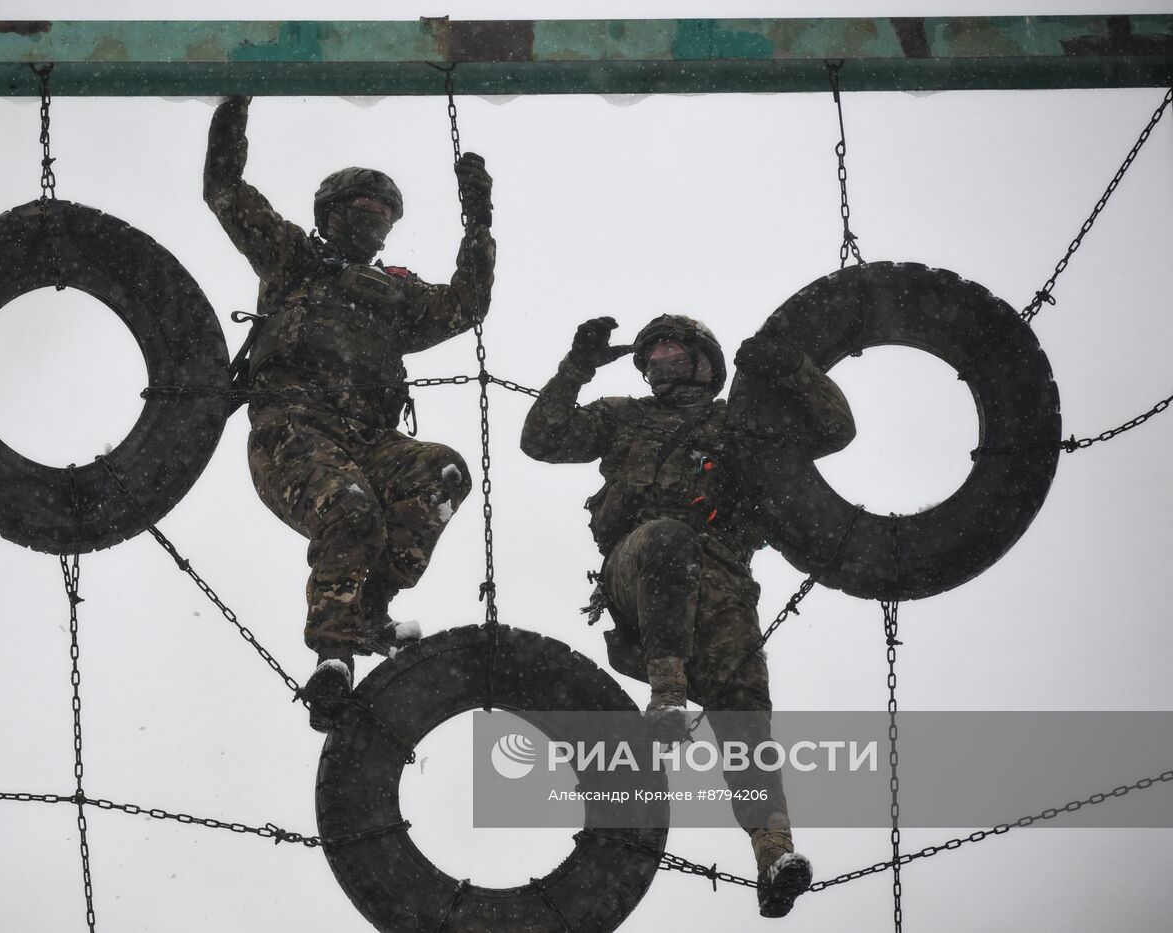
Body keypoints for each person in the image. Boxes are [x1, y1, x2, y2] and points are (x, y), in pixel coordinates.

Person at [519, 313, 854, 918]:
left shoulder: (739, 426)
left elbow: (834, 429)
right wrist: (576, 368)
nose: (658, 359)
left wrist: (793, 369)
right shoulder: (623, 416)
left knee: (746, 714)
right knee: (669, 538)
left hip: (723, 582)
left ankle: (773, 854)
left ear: (702, 359)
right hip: (637, 566)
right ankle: (667, 697)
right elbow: (541, 439)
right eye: (650, 353)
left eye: (670, 346)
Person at [204, 96, 496, 733]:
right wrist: (234, 103)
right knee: (351, 507)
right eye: (359, 209)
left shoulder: (394, 293)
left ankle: (370, 608)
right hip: (293, 429)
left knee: (441, 473)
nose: (371, 220)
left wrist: (478, 229)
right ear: (328, 214)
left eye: (382, 214)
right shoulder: (292, 260)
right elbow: (224, 188)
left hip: (371, 437)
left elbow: (466, 304)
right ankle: (335, 656)